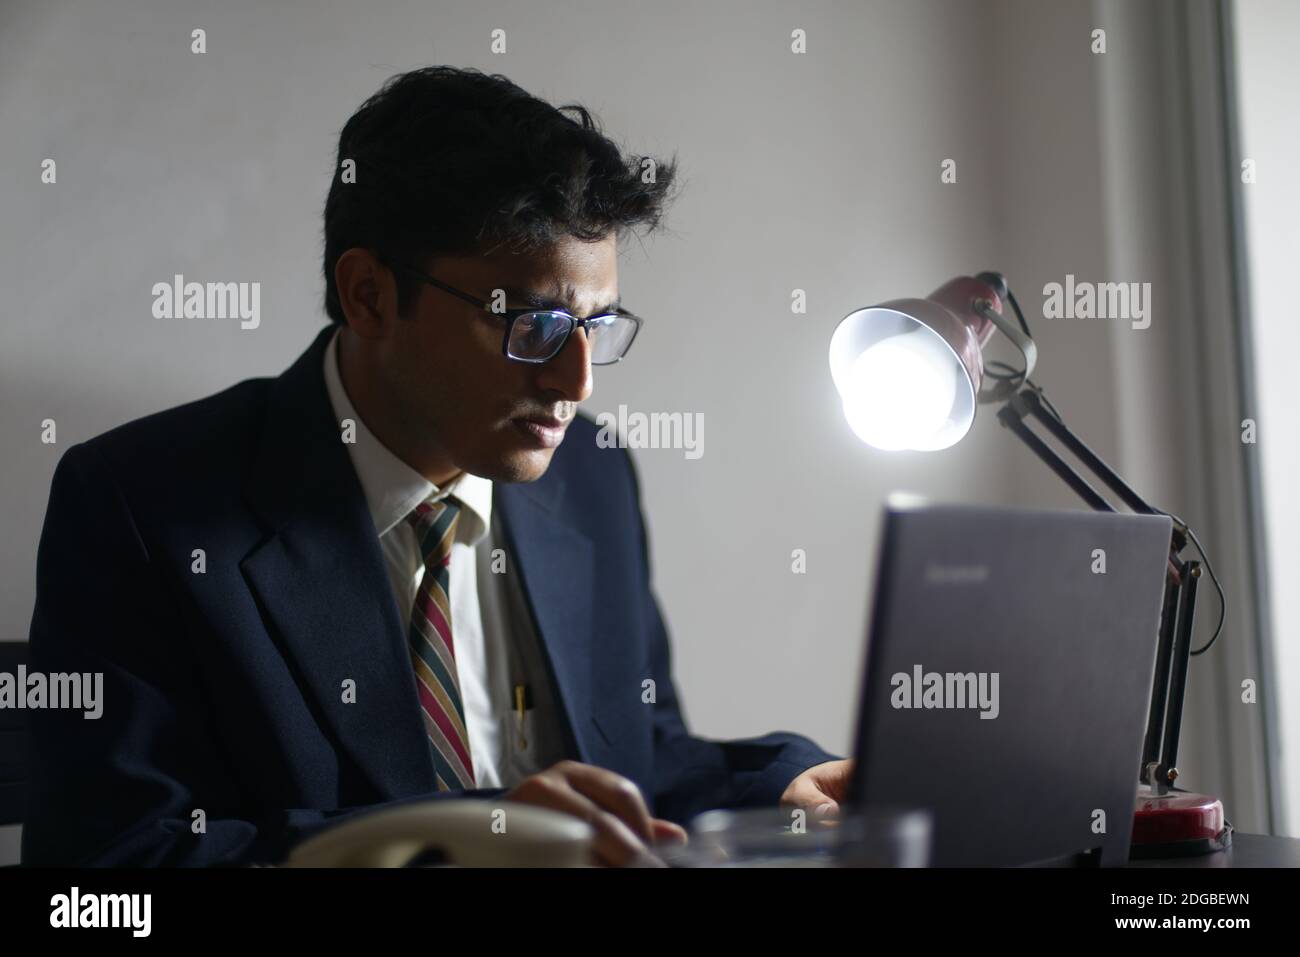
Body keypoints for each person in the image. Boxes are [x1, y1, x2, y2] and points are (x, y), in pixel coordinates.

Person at [22, 66, 849, 867]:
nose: (576, 383)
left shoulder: (590, 474)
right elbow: (105, 872)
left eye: (598, 326)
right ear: (369, 296)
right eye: (534, 326)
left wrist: (777, 786)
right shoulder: (139, 506)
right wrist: (461, 841)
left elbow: (636, 761)